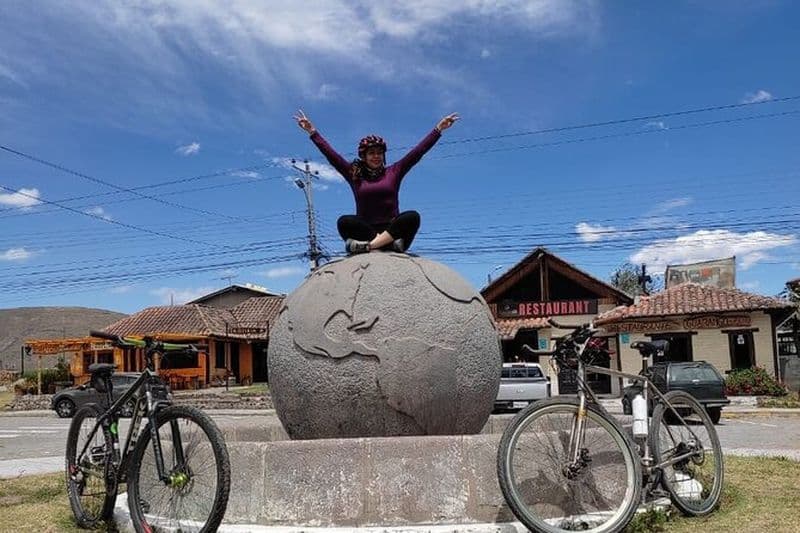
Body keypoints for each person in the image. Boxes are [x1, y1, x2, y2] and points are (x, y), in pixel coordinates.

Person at [294, 109, 459, 254]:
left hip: (393, 230)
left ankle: (370, 247)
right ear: (364, 156)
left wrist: (438, 130)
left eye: (379, 153)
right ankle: (387, 246)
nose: (376, 156)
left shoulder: (394, 171)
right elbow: (332, 156)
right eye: (371, 153)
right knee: (344, 222)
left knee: (412, 217)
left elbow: (418, 152)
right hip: (365, 230)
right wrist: (313, 132)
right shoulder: (354, 174)